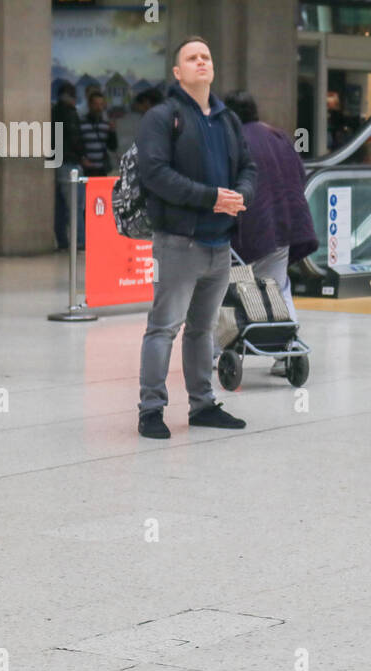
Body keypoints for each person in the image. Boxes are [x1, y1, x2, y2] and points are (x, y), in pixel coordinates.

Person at [136, 36, 257, 439]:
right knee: (163, 327)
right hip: (179, 242)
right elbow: (154, 174)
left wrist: (240, 196)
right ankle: (151, 409)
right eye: (192, 57)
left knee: (204, 330)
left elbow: (249, 167)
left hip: (220, 244)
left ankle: (202, 404)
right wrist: (211, 199)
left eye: (206, 56)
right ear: (177, 72)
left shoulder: (227, 119)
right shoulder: (162, 117)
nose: (201, 62)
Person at [225, 90, 318, 375]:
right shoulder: (277, 135)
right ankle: (284, 351)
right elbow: (299, 174)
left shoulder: (233, 141)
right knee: (278, 285)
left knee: (225, 286)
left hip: (251, 227)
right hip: (287, 223)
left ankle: (222, 345)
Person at [52, 80, 86, 250]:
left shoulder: (54, 112)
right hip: (69, 162)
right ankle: (80, 241)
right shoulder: (70, 114)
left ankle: (62, 241)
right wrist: (81, 156)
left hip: (57, 162)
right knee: (76, 206)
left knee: (60, 207)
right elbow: (75, 139)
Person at [79, 91, 118, 176]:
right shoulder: (81, 123)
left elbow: (112, 146)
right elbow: (77, 144)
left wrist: (112, 132)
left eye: (101, 104)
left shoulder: (106, 124)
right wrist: (82, 158)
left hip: (101, 169)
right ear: (90, 105)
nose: (99, 107)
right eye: (96, 104)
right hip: (86, 169)